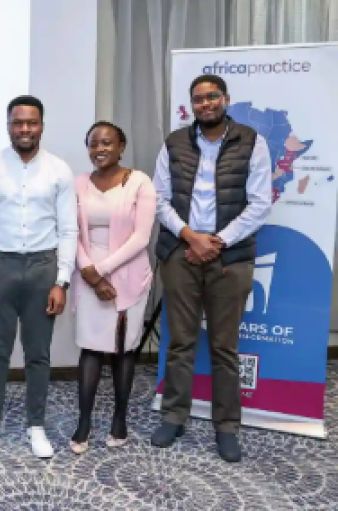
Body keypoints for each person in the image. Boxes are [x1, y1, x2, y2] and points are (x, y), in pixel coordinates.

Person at [151, 74, 272, 463]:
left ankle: (227, 426)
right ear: (192, 105)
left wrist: (215, 242)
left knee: (224, 346)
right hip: (181, 252)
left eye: (212, 97)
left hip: (230, 256)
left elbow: (260, 203)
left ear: (225, 99)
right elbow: (159, 199)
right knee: (180, 342)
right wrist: (191, 237)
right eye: (198, 99)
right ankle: (174, 416)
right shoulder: (174, 143)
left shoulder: (252, 142)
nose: (205, 104)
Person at [0, 96, 78, 458]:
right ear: (9, 126)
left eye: (32, 122)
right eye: (18, 123)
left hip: (43, 267)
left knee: (38, 353)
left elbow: (68, 229)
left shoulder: (59, 170)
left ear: (42, 125)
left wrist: (61, 281)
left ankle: (36, 425)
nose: (25, 129)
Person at [69, 121, 156, 454]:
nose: (99, 149)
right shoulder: (78, 183)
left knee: (123, 350)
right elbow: (71, 233)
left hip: (127, 275)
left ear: (122, 146)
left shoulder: (139, 182)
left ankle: (120, 419)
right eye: (93, 143)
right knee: (90, 348)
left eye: (107, 143)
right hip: (88, 273)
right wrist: (90, 274)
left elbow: (141, 238)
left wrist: (102, 271)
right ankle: (84, 422)